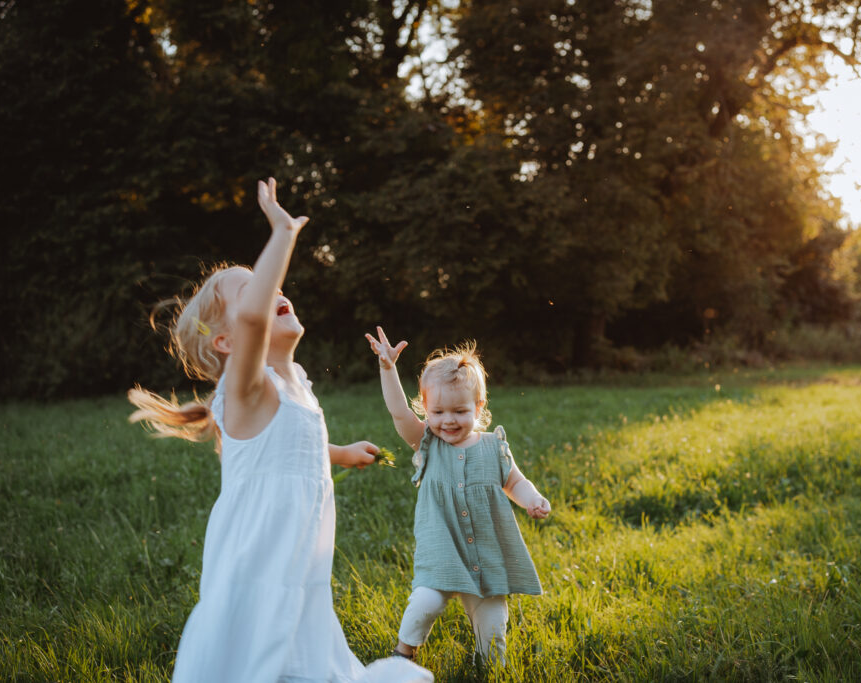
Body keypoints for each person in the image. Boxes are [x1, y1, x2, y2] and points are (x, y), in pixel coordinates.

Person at [129, 179, 432, 683]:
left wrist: (338, 453)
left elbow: (288, 448)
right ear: (228, 340)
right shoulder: (248, 389)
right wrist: (283, 233)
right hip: (259, 562)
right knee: (256, 649)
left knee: (299, 642)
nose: (275, 291)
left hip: (299, 564)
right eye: (256, 289)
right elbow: (253, 321)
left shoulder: (292, 384)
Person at [364, 327, 551, 665]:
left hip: (487, 552)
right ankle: (403, 653)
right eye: (437, 413)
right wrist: (388, 369)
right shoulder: (427, 442)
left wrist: (533, 499)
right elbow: (398, 412)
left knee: (493, 625)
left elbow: (515, 482)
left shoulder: (494, 447)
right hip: (441, 549)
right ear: (425, 409)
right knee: (426, 603)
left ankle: (488, 666)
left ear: (478, 407)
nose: (448, 421)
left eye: (460, 412)